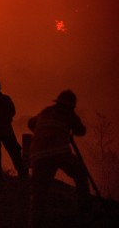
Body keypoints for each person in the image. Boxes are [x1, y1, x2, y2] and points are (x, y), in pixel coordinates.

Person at [27, 90, 90, 227]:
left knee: (39, 193)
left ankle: (35, 224)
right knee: (80, 174)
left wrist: (42, 131)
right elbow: (81, 130)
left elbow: (31, 123)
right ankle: (85, 211)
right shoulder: (69, 113)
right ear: (71, 106)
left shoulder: (46, 111)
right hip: (59, 152)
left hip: (38, 155)